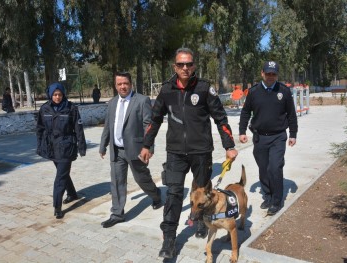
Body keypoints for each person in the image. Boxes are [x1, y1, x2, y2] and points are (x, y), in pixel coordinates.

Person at [140, 48, 238, 259]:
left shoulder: (204, 89)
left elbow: (220, 118)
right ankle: (169, 239)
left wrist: (229, 145)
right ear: (174, 66)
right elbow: (155, 119)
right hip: (175, 152)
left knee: (202, 193)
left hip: (201, 151)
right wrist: (146, 145)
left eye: (189, 64)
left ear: (194, 66)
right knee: (174, 194)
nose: (185, 68)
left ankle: (203, 223)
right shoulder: (166, 90)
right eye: (181, 64)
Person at [99, 71, 162, 228]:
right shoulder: (112, 103)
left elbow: (148, 125)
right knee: (117, 181)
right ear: (116, 85)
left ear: (131, 84)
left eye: (125, 83)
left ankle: (155, 195)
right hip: (117, 150)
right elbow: (108, 125)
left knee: (142, 179)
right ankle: (117, 213)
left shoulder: (141, 101)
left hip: (136, 149)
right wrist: (103, 145)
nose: (123, 86)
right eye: (119, 84)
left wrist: (149, 147)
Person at [238, 61, 298, 216]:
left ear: (277, 75)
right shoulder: (254, 92)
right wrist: (242, 131)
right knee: (264, 169)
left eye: (274, 74)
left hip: (278, 137)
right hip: (259, 137)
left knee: (275, 167)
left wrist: (293, 134)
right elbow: (245, 112)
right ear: (262, 73)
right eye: (268, 73)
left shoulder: (283, 91)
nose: (271, 76)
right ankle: (268, 195)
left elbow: (291, 114)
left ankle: (277, 201)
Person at [36, 82, 87, 219]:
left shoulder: (71, 108)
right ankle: (72, 194)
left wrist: (81, 146)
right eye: (55, 94)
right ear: (50, 95)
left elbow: (78, 129)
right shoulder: (45, 109)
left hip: (66, 147)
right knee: (62, 173)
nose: (57, 97)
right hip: (51, 147)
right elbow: (40, 129)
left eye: (60, 94)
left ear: (63, 94)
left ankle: (57, 206)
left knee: (60, 177)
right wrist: (40, 145)